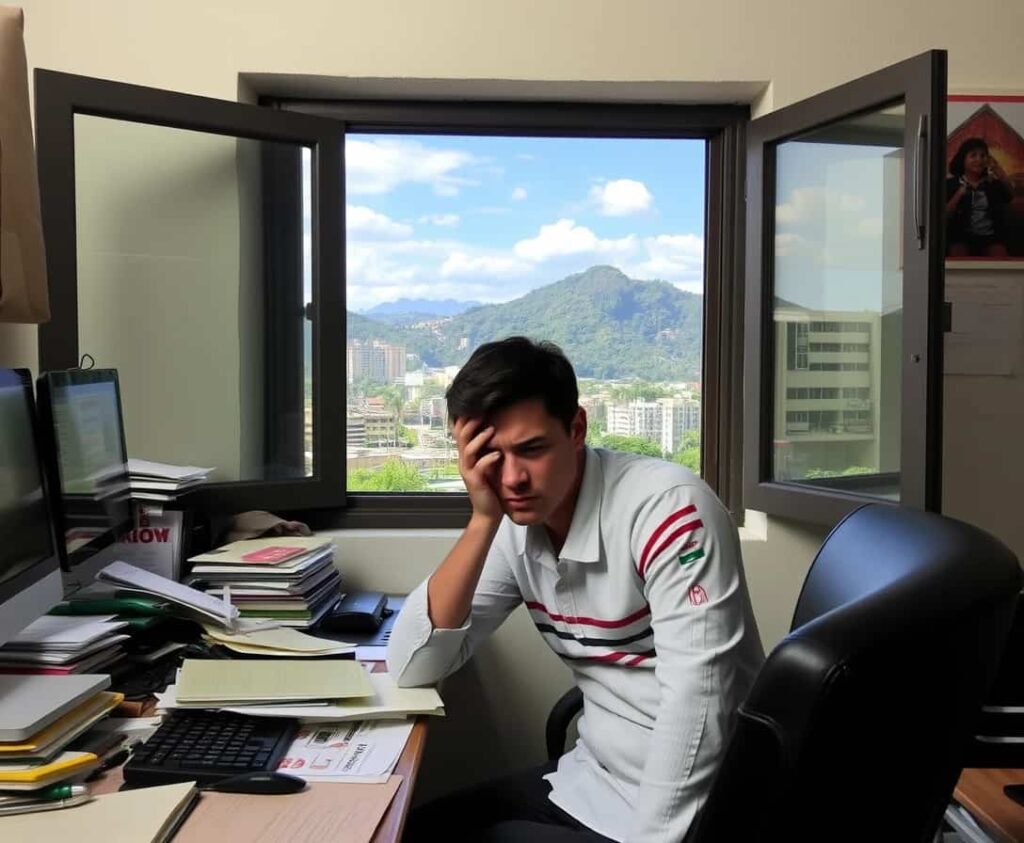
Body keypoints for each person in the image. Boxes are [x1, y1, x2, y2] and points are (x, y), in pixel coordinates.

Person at [388, 337, 764, 843]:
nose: (514, 478)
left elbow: (699, 706)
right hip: (592, 777)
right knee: (408, 832)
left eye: (532, 449)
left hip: (697, 802)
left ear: (576, 429)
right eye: (491, 457)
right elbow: (413, 666)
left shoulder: (669, 511)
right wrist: (482, 520)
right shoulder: (513, 524)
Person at [946, 137, 1013, 258]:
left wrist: (999, 171)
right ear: (963, 159)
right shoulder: (951, 184)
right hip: (961, 237)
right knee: (958, 257)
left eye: (983, 156)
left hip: (991, 237)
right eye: (973, 155)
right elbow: (945, 215)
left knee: (1000, 258)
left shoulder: (992, 184)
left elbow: (1010, 196)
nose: (979, 160)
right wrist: (959, 194)